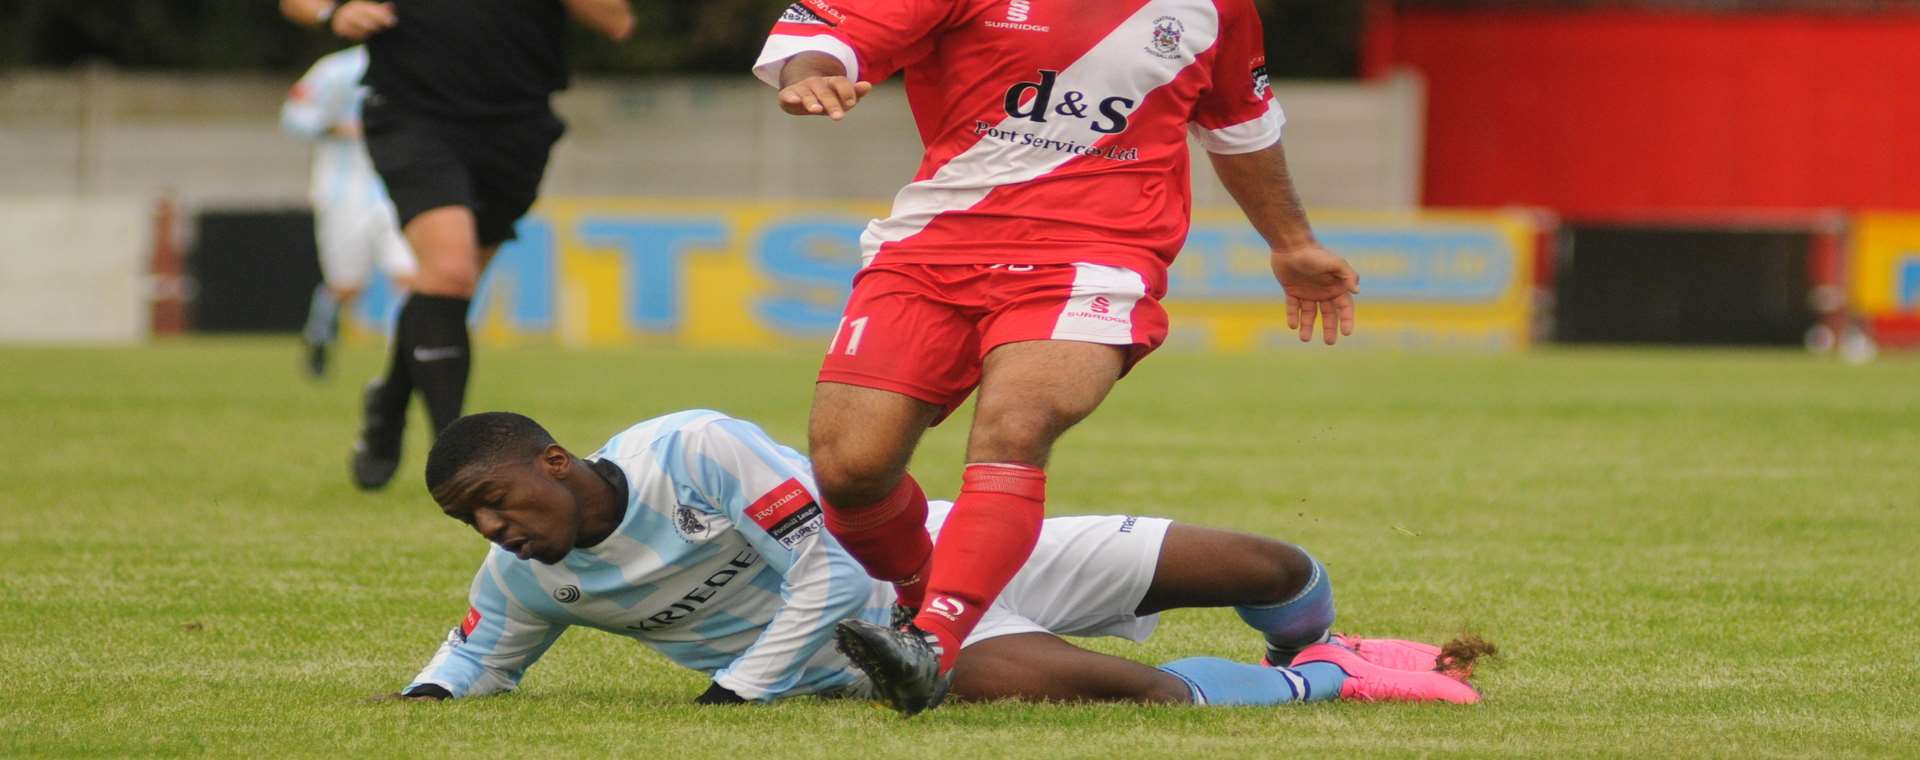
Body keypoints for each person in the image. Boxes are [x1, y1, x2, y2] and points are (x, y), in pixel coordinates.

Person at [750, 0, 1361, 712]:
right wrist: (811, 77)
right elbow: (821, 30)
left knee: (1018, 422)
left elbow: (1241, 128)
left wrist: (1290, 242)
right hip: (936, 245)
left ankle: (937, 640)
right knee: (851, 468)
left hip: (1097, 252)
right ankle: (924, 608)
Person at [386, 410, 1487, 707]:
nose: (495, 532)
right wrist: (429, 695)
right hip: (903, 649)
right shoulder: (532, 576)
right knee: (1112, 694)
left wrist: (738, 689)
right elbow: (471, 662)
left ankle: (1316, 634)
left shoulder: (691, 450)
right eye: (471, 526)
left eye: (495, 503)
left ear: (551, 458)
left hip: (955, 550)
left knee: (1267, 562)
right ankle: (1319, 683)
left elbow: (824, 565)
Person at [278, 0, 637, 491]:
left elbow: (618, 19)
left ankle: (386, 404)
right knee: (444, 273)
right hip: (411, 117)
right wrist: (333, 16)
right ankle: (461, 464)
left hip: (516, 127)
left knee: (449, 296)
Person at [280, 45, 417, 379]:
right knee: (346, 285)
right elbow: (294, 116)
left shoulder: (421, 62)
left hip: (401, 188)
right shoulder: (336, 69)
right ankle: (319, 337)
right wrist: (341, 127)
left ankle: (400, 363)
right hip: (344, 194)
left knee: (408, 276)